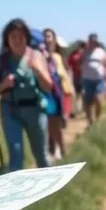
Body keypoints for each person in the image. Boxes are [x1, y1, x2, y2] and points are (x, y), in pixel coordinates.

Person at [0, 18, 55, 171]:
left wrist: (37, 70)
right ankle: (17, 193)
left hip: (35, 110)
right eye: (13, 37)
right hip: (10, 111)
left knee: (41, 155)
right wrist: (3, 85)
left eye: (21, 36)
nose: (17, 40)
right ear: (7, 39)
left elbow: (49, 87)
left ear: (27, 38)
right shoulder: (1, 60)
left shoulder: (37, 56)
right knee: (16, 154)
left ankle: (48, 190)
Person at [42, 28, 73, 161]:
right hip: (45, 93)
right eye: (45, 36)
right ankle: (52, 151)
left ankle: (61, 151)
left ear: (54, 40)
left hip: (59, 94)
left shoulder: (58, 57)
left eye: (49, 36)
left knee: (57, 126)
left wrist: (68, 94)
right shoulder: (38, 55)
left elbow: (63, 77)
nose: (47, 39)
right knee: (48, 125)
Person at [79, 33, 106, 126]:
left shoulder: (101, 52)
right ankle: (90, 122)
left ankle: (97, 119)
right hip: (87, 79)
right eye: (91, 41)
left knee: (98, 99)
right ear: (88, 41)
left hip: (99, 79)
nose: (93, 43)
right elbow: (79, 63)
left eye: (95, 42)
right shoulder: (84, 52)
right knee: (88, 102)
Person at [66, 41, 85, 117]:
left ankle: (82, 110)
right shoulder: (73, 55)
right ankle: (77, 110)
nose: (78, 48)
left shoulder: (84, 55)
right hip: (75, 77)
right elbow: (69, 66)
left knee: (82, 94)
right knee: (77, 94)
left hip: (83, 77)